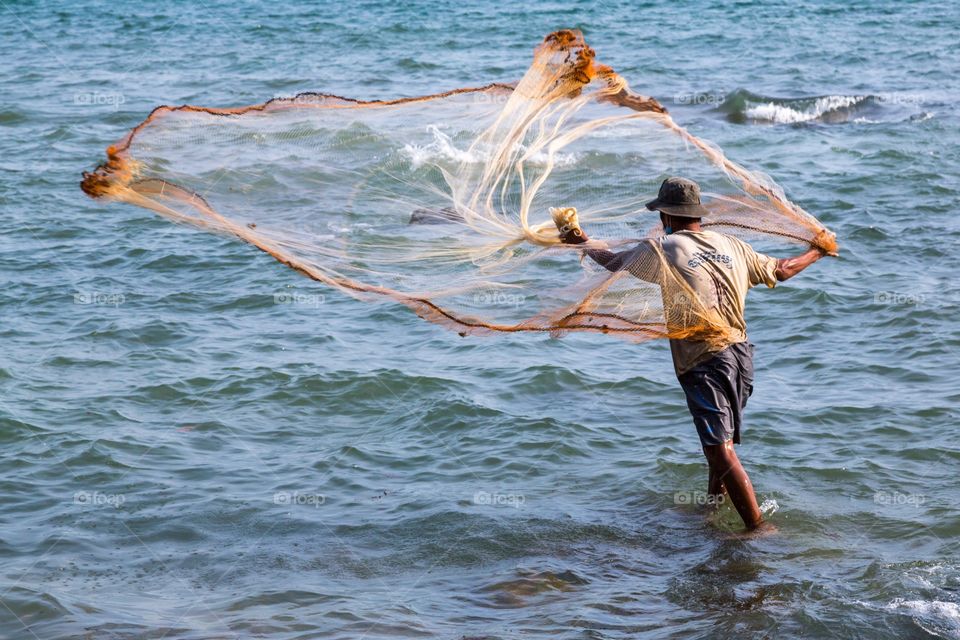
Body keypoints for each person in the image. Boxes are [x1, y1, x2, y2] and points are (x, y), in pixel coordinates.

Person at [552, 177, 836, 531]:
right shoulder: (733, 245)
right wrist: (818, 251)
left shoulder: (665, 249)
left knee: (719, 449)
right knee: (720, 442)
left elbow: (615, 262)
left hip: (703, 359)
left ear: (667, 216)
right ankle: (712, 508)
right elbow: (781, 270)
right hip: (741, 355)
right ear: (696, 215)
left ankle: (758, 528)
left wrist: (579, 240)